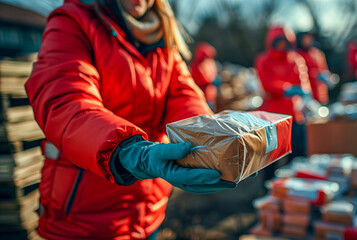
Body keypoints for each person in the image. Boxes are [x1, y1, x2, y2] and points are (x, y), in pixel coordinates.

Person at [25, 0, 235, 239]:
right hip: (84, 217)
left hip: (149, 211)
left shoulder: (162, 39)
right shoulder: (73, 22)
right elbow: (66, 102)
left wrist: (208, 139)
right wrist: (129, 151)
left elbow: (183, 96)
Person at [254, 26, 312, 177]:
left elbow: (303, 82)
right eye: (278, 42)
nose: (281, 46)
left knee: (297, 155)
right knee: (271, 158)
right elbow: (266, 84)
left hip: (294, 114)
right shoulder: (263, 61)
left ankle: (294, 189)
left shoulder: (296, 59)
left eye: (284, 42)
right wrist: (286, 89)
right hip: (271, 116)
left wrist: (304, 93)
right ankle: (269, 189)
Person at [296, 31, 330, 105]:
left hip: (321, 92)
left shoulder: (318, 53)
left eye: (310, 38)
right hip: (309, 93)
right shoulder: (298, 55)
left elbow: (324, 69)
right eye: (306, 38)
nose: (309, 40)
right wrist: (315, 75)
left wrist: (327, 76)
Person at [189, 42, 219, 110]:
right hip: (202, 95)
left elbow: (213, 75)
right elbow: (197, 80)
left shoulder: (210, 63)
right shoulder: (196, 66)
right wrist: (212, 81)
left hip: (211, 95)